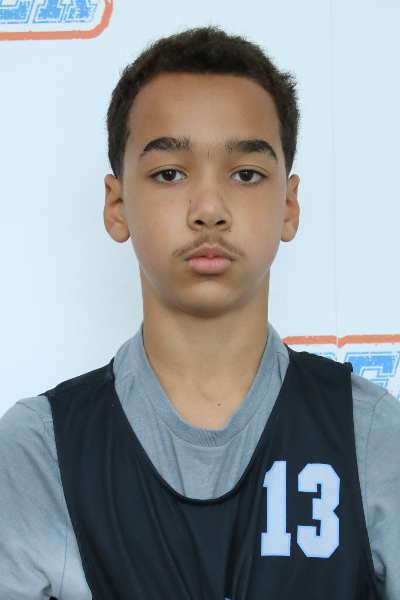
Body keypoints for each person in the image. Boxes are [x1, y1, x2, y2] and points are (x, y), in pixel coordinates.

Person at [0, 26, 399, 600]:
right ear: (117, 205)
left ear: (289, 205)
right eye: (170, 173)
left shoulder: (371, 435)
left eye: (246, 174)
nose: (209, 209)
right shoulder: (40, 451)